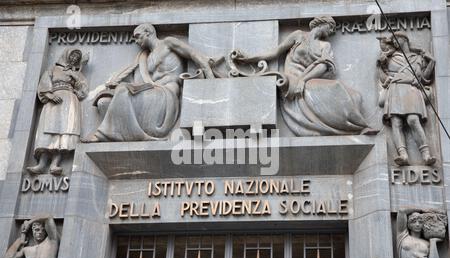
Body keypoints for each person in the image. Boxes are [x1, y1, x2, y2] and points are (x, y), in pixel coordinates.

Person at [234, 16, 378, 136]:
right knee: (335, 87)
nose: (332, 31)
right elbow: (274, 52)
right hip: (292, 79)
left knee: (356, 96)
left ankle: (356, 124)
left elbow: (324, 66)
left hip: (309, 78)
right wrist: (249, 59)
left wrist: (303, 80)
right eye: (331, 27)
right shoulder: (298, 35)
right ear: (322, 24)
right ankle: (359, 126)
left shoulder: (324, 46)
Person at [84, 23, 215, 142]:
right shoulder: (146, 57)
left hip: (168, 92)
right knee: (111, 97)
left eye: (138, 36)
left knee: (123, 89)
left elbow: (193, 54)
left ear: (148, 32)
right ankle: (118, 132)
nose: (136, 41)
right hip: (153, 91)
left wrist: (210, 76)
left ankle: (103, 135)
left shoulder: (168, 43)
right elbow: (140, 82)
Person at [377, 32, 436, 166]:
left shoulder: (416, 58)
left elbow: (424, 78)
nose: (394, 42)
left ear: (404, 39)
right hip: (395, 89)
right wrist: (381, 65)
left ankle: (426, 154)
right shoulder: (390, 58)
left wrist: (431, 62)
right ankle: (402, 155)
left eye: (396, 39)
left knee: (413, 120)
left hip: (411, 89)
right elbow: (383, 78)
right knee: (396, 122)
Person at [27, 48, 88, 175]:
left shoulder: (76, 73)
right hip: (53, 102)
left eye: (77, 57)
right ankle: (42, 164)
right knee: (48, 129)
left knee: (64, 132)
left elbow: (83, 90)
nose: (74, 59)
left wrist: (76, 76)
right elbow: (43, 85)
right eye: (73, 55)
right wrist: (50, 95)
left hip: (70, 102)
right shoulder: (53, 69)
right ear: (66, 55)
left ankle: (55, 164)